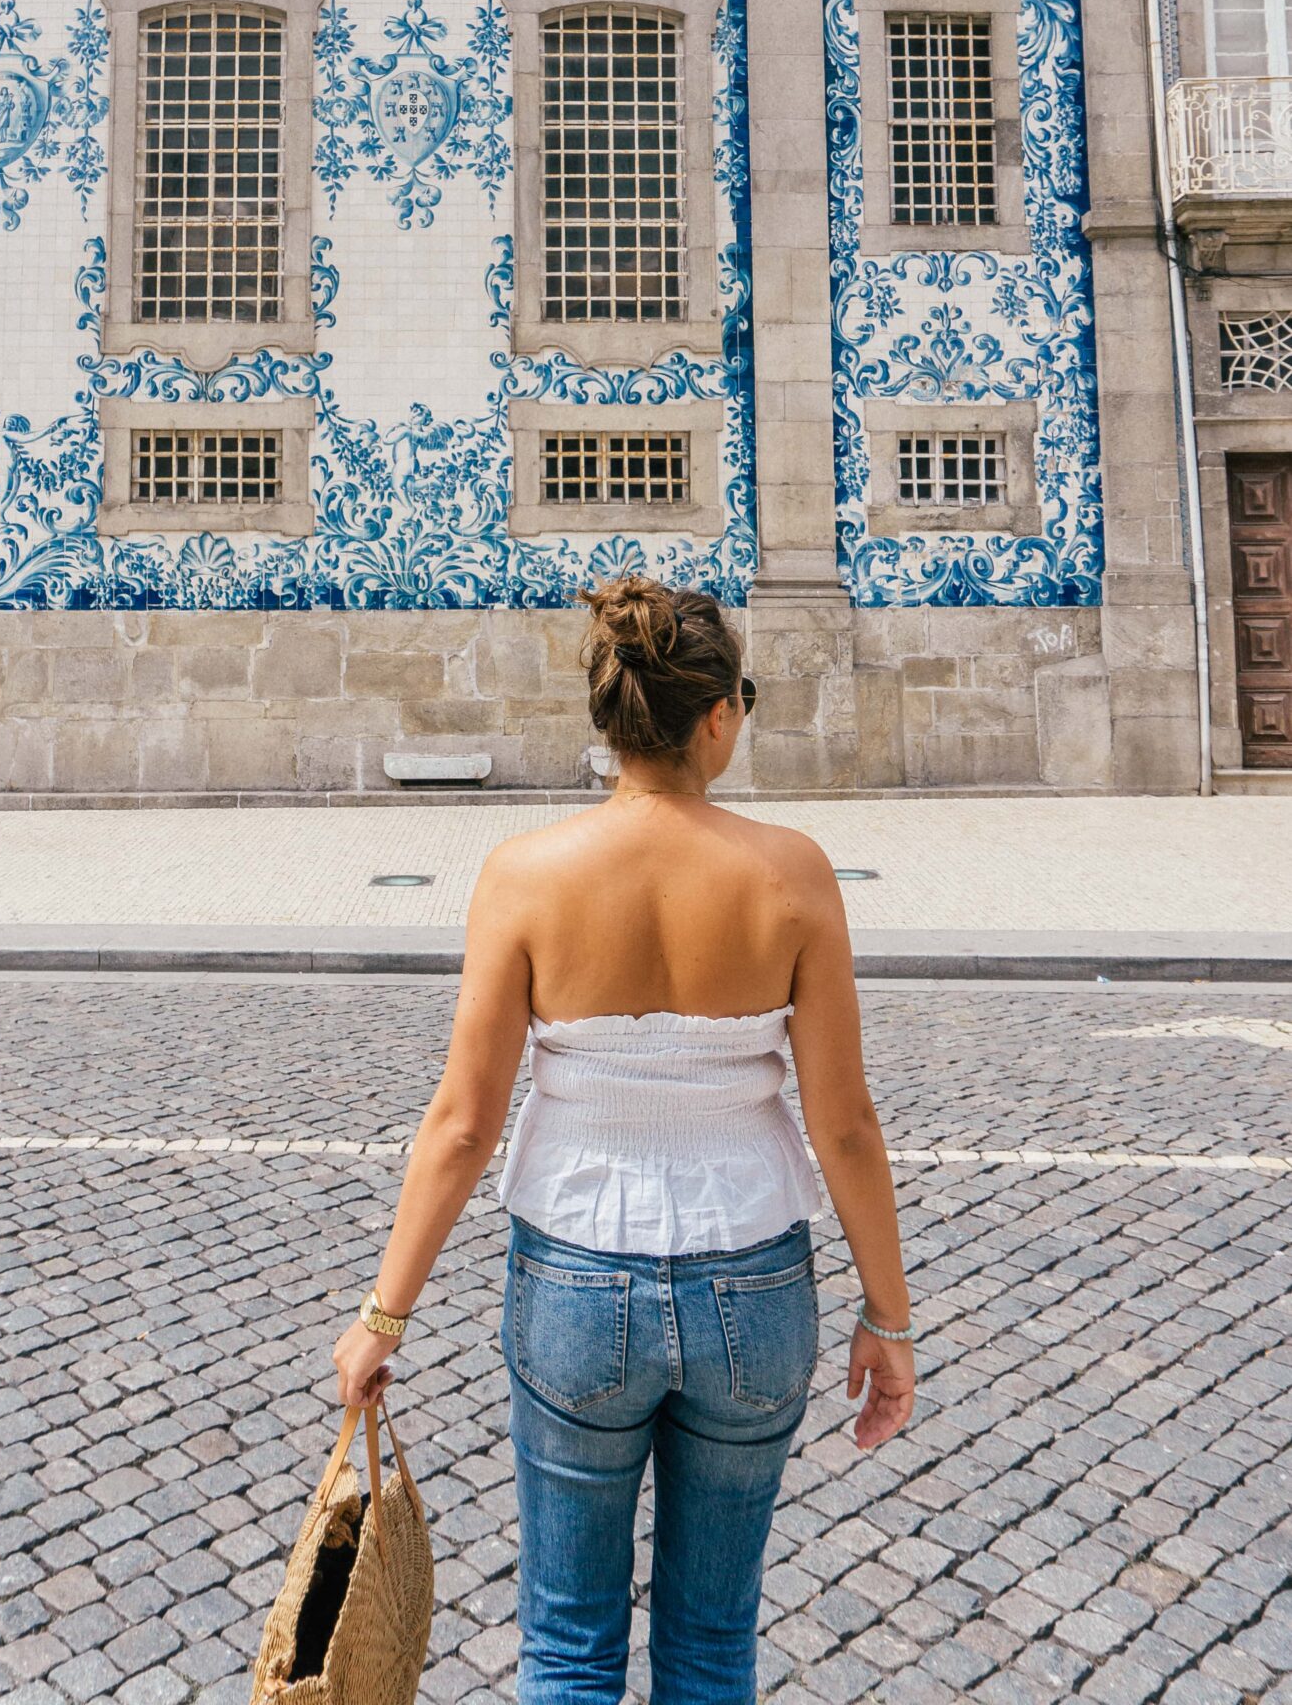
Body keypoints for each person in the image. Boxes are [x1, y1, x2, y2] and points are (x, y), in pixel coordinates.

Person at [332, 573, 916, 1705]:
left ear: (610, 716)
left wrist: (381, 1314)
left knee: (567, 1643)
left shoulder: (525, 876)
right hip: (753, 1285)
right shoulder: (792, 873)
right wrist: (888, 1319)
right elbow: (842, 1123)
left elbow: (462, 1123)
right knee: (711, 1644)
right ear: (715, 717)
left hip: (575, 1285)